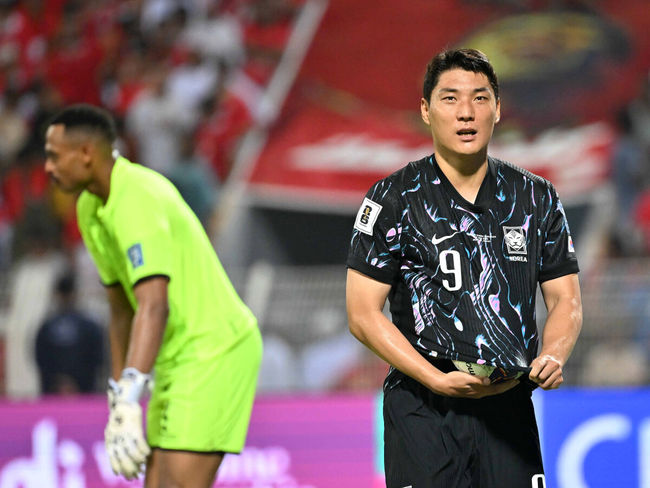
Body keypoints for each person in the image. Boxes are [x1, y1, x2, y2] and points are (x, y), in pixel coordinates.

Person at [346, 49, 582, 488]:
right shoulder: (391, 199)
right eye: (450, 98)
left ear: (498, 108)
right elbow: (362, 313)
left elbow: (565, 297)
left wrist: (553, 354)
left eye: (479, 97)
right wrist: (436, 379)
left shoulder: (536, 198)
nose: (466, 112)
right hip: (422, 408)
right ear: (425, 110)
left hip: (509, 407)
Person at [44, 104, 262, 487]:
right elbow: (121, 310)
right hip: (175, 358)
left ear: (86, 154)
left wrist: (130, 398)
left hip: (214, 350)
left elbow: (153, 305)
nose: (47, 167)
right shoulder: (88, 207)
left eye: (54, 156)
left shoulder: (137, 198)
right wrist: (118, 403)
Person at [35, 272, 104, 394]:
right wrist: (59, 383)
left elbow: (97, 357)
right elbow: (41, 358)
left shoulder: (88, 326)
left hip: (82, 390)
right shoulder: (47, 326)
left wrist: (75, 383)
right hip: (57, 390)